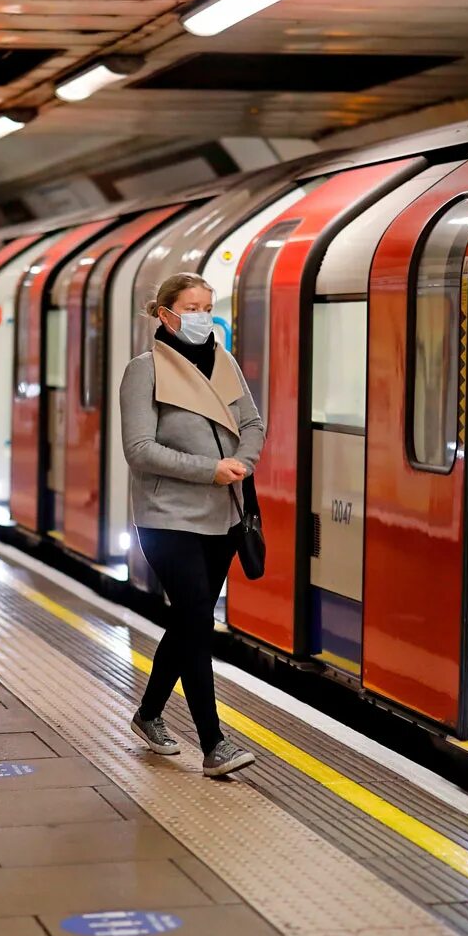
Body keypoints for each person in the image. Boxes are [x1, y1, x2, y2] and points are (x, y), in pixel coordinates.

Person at [119, 272, 265, 779]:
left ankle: (149, 713)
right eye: (192, 307)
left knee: (189, 621)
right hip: (169, 517)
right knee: (198, 621)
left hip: (223, 512)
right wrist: (209, 469)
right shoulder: (145, 371)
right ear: (165, 314)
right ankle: (214, 744)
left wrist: (243, 462)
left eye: (207, 307)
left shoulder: (224, 363)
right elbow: (139, 450)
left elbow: (252, 423)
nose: (203, 316)